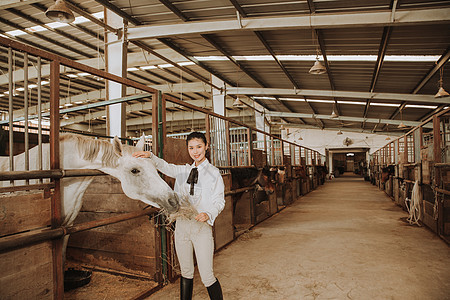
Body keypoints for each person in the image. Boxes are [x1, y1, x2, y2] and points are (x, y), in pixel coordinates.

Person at [133, 131, 225, 300]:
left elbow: (220, 201)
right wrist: (150, 156)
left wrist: (208, 213)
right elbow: (166, 167)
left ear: (206, 146)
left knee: (207, 276)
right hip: (182, 226)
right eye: (191, 148)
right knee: (186, 272)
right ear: (187, 149)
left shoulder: (214, 173)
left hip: (201, 227)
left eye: (199, 146)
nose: (195, 151)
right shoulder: (184, 171)